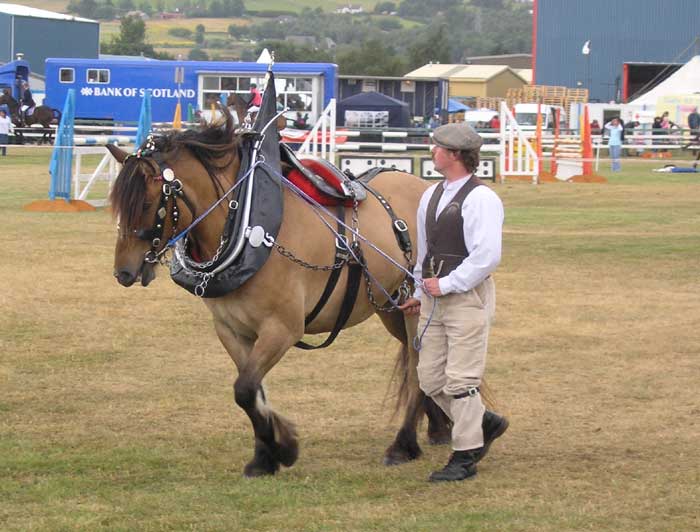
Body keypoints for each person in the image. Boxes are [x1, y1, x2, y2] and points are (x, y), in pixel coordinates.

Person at [398, 122, 508, 482]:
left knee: (461, 380)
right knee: (430, 379)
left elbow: (487, 256)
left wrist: (447, 284)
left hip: (466, 297)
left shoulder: (482, 199)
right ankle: (482, 421)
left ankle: (464, 458)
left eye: (438, 147)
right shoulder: (431, 195)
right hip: (434, 297)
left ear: (456, 155)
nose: (433, 152)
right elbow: (424, 253)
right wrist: (418, 292)